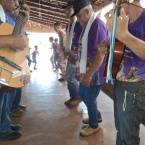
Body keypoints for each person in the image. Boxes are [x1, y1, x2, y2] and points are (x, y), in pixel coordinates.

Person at [98, 0, 145, 144]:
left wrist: (124, 35)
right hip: (120, 81)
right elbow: (119, 47)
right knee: (121, 128)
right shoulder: (120, 20)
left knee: (129, 134)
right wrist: (107, 46)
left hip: (134, 86)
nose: (115, 4)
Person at [72, 0, 109, 137]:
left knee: (90, 98)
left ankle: (94, 126)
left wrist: (89, 74)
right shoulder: (88, 25)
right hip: (86, 70)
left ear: (87, 12)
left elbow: (101, 54)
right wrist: (81, 70)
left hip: (95, 71)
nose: (79, 20)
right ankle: (96, 115)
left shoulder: (97, 26)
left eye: (80, 16)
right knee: (82, 94)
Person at [0, 0, 30, 141]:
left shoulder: (4, 17)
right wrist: (8, 40)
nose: (16, 3)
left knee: (4, 99)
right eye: (13, 0)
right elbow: (9, 40)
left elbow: (15, 38)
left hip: (4, 66)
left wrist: (22, 22)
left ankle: (4, 126)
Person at [7, 5, 27, 117]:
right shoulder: (7, 18)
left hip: (15, 57)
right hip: (9, 57)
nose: (15, 5)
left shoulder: (15, 20)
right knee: (8, 89)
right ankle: (12, 109)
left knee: (16, 84)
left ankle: (14, 105)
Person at [62, 1, 83, 106]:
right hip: (70, 55)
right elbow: (69, 40)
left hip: (77, 55)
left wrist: (74, 51)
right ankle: (73, 97)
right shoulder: (68, 26)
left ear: (75, 11)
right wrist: (66, 50)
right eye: (65, 9)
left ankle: (77, 97)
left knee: (70, 77)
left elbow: (84, 41)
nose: (66, 11)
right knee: (68, 76)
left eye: (69, 9)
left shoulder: (79, 24)